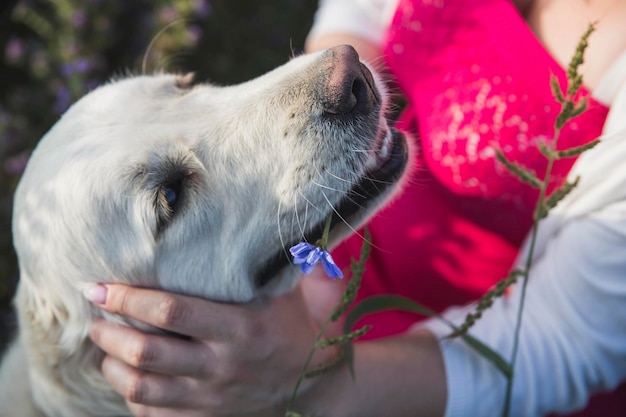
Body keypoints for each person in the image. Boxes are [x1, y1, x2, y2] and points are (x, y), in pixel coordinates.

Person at [84, 0, 626, 416]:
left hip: (451, 374)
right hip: (325, 264)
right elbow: (355, 19)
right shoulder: (316, 256)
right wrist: (317, 246)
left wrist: (308, 379)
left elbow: (565, 334)